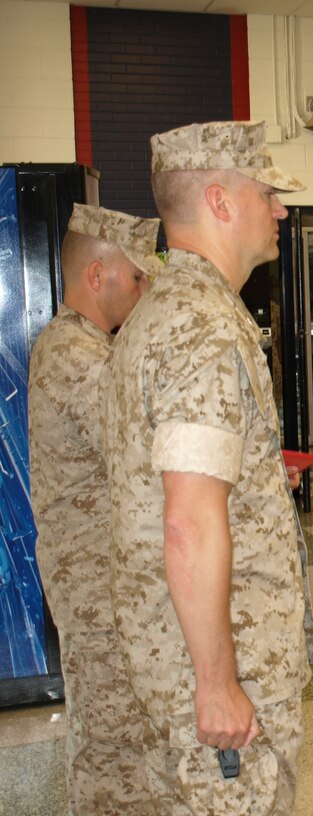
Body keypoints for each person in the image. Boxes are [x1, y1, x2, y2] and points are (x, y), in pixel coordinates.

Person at [104, 120, 313, 814]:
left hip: (169, 646)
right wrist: (219, 683)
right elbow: (188, 522)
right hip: (226, 662)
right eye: (267, 193)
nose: (280, 210)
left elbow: (181, 482)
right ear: (221, 202)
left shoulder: (159, 310)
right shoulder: (204, 327)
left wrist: (256, 483)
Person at [28, 204, 159, 814]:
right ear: (97, 276)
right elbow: (144, 448)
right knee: (113, 747)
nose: (145, 289)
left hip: (101, 580)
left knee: (115, 733)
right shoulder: (75, 357)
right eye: (137, 277)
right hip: (95, 585)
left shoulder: (83, 347)